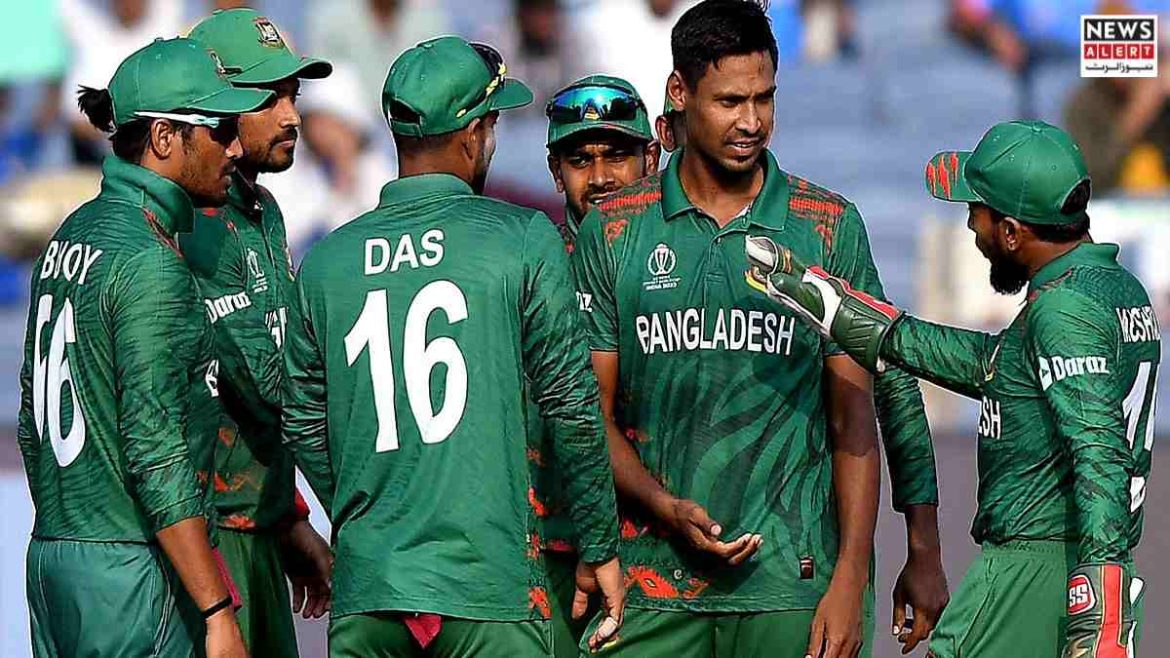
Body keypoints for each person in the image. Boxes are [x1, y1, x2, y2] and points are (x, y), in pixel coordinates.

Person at [570, 2, 944, 657]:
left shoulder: (824, 225)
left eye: (765, 99)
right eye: (730, 101)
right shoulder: (618, 230)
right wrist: (662, 505)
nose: (752, 122)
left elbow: (856, 417)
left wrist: (852, 576)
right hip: (651, 585)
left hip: (790, 587)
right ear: (681, 94)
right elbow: (588, 417)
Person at [747, 120, 1157, 658]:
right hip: (1076, 563)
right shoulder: (1113, 288)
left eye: (977, 213)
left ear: (1011, 231)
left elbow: (1100, 453)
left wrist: (1102, 618)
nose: (970, 227)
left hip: (1035, 571)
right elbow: (995, 368)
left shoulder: (1063, 310)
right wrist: (842, 311)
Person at [282, 36, 626, 656]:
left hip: (373, 587)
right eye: (492, 123)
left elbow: (302, 418)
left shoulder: (326, 263)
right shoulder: (522, 237)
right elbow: (571, 404)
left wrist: (368, 509)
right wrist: (599, 544)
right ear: (472, 134)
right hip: (489, 591)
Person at [17, 37, 272, 658]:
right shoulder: (150, 261)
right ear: (164, 138)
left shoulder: (73, 231)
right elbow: (156, 455)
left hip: (55, 564)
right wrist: (216, 610)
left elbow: (32, 418)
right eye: (218, 128)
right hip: (132, 575)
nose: (235, 146)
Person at [184, 9, 335, 656]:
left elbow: (270, 372)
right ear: (216, 109)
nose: (292, 115)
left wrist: (289, 517)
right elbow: (268, 381)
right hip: (203, 540)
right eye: (268, 98)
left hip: (257, 526)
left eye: (293, 95)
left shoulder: (261, 208)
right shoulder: (187, 224)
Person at [538, 74, 660, 657]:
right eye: (580, 159)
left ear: (651, 158)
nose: (602, 177)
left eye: (619, 155)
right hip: (547, 554)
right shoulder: (528, 271)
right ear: (554, 170)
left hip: (661, 553)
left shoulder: (684, 266)